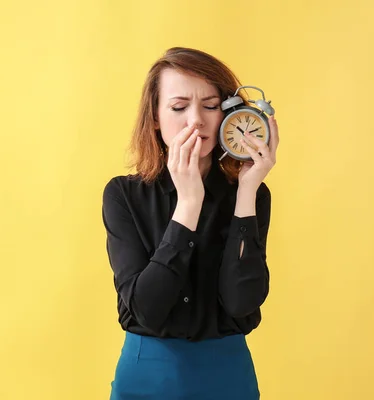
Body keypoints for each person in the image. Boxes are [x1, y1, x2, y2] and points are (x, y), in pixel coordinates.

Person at [101, 47, 279, 399]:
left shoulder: (252, 195)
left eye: (211, 106)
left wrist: (246, 191)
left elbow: (242, 302)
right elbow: (147, 310)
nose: (195, 120)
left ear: (231, 114)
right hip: (146, 376)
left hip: (227, 374)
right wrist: (189, 203)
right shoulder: (123, 195)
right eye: (179, 107)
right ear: (155, 117)